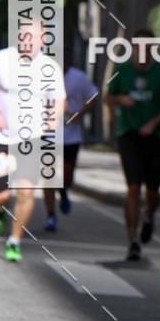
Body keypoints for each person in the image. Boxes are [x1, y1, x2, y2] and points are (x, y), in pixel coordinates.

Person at [104, 28, 160, 261]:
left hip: (158, 137)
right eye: (138, 47)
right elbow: (108, 97)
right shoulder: (122, 69)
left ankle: (149, 215)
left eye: (147, 47)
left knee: (152, 192)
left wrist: (155, 122)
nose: (142, 52)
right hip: (129, 134)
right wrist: (120, 100)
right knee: (133, 188)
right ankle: (133, 240)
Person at [0, 28, 65, 261]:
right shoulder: (1, 59)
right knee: (1, 196)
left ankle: (14, 241)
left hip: (32, 138)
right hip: (0, 137)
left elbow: (59, 100)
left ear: (43, 40)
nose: (28, 41)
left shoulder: (49, 67)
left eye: (33, 37)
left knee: (26, 192)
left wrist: (53, 119)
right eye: (23, 35)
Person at [43, 47, 98, 231]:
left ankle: (64, 190)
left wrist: (80, 114)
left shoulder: (79, 77)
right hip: (47, 134)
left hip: (71, 135)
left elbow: (93, 97)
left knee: (66, 176)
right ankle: (51, 215)